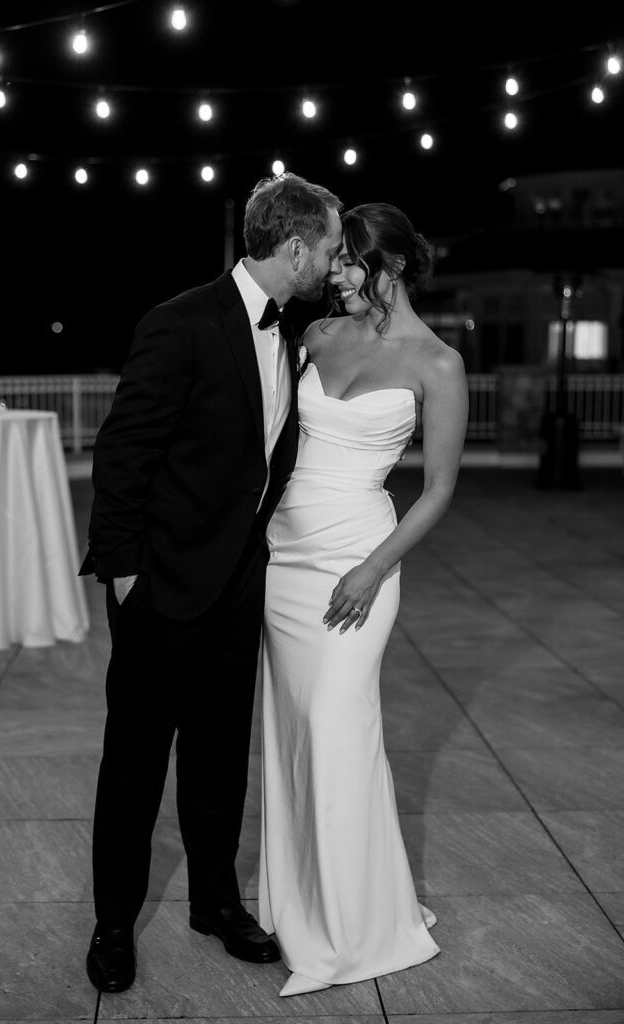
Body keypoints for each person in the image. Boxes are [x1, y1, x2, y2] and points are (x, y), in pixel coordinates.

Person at [80, 173, 343, 993]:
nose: (334, 264)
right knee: (135, 761)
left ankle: (214, 901)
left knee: (221, 755)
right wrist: (126, 578)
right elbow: (121, 458)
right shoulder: (180, 321)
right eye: (329, 248)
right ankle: (114, 923)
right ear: (294, 245)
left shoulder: (293, 334)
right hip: (159, 586)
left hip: (238, 585)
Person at [259, 202, 468, 996]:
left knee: (336, 725)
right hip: (283, 560)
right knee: (291, 732)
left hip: (359, 562)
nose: (335, 275)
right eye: (335, 260)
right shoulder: (316, 337)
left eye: (349, 262)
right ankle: (302, 901)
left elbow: (438, 490)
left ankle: (354, 929)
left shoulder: (437, 363)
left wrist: (372, 569)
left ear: (394, 267)